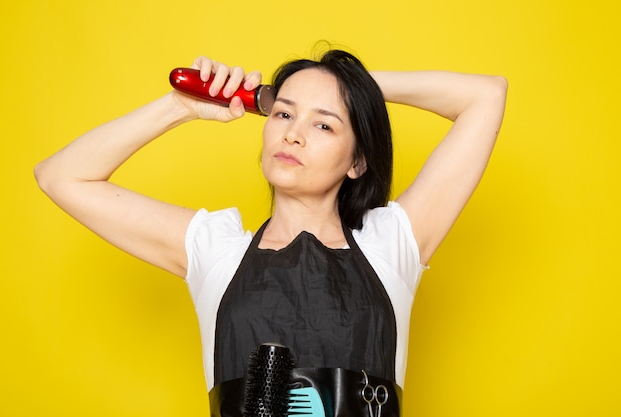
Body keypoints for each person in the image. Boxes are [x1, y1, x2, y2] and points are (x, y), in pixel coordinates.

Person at [35, 47, 507, 417]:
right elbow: (61, 176)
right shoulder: (212, 249)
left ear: (358, 162)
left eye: (323, 124)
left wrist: (349, 87)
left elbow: (486, 95)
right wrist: (179, 107)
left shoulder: (394, 245)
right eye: (283, 113)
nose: (293, 134)